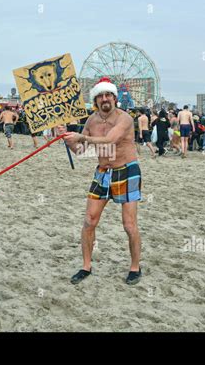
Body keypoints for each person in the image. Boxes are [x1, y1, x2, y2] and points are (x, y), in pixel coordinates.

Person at [59, 77, 142, 285]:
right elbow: (80, 151)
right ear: (95, 100)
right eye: (100, 96)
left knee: (129, 225)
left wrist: (82, 138)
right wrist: (67, 139)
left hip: (127, 170)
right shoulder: (91, 121)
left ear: (114, 97)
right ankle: (86, 266)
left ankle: (135, 267)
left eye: (108, 95)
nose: (104, 99)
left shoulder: (125, 119)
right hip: (103, 172)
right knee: (89, 221)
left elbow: (111, 139)